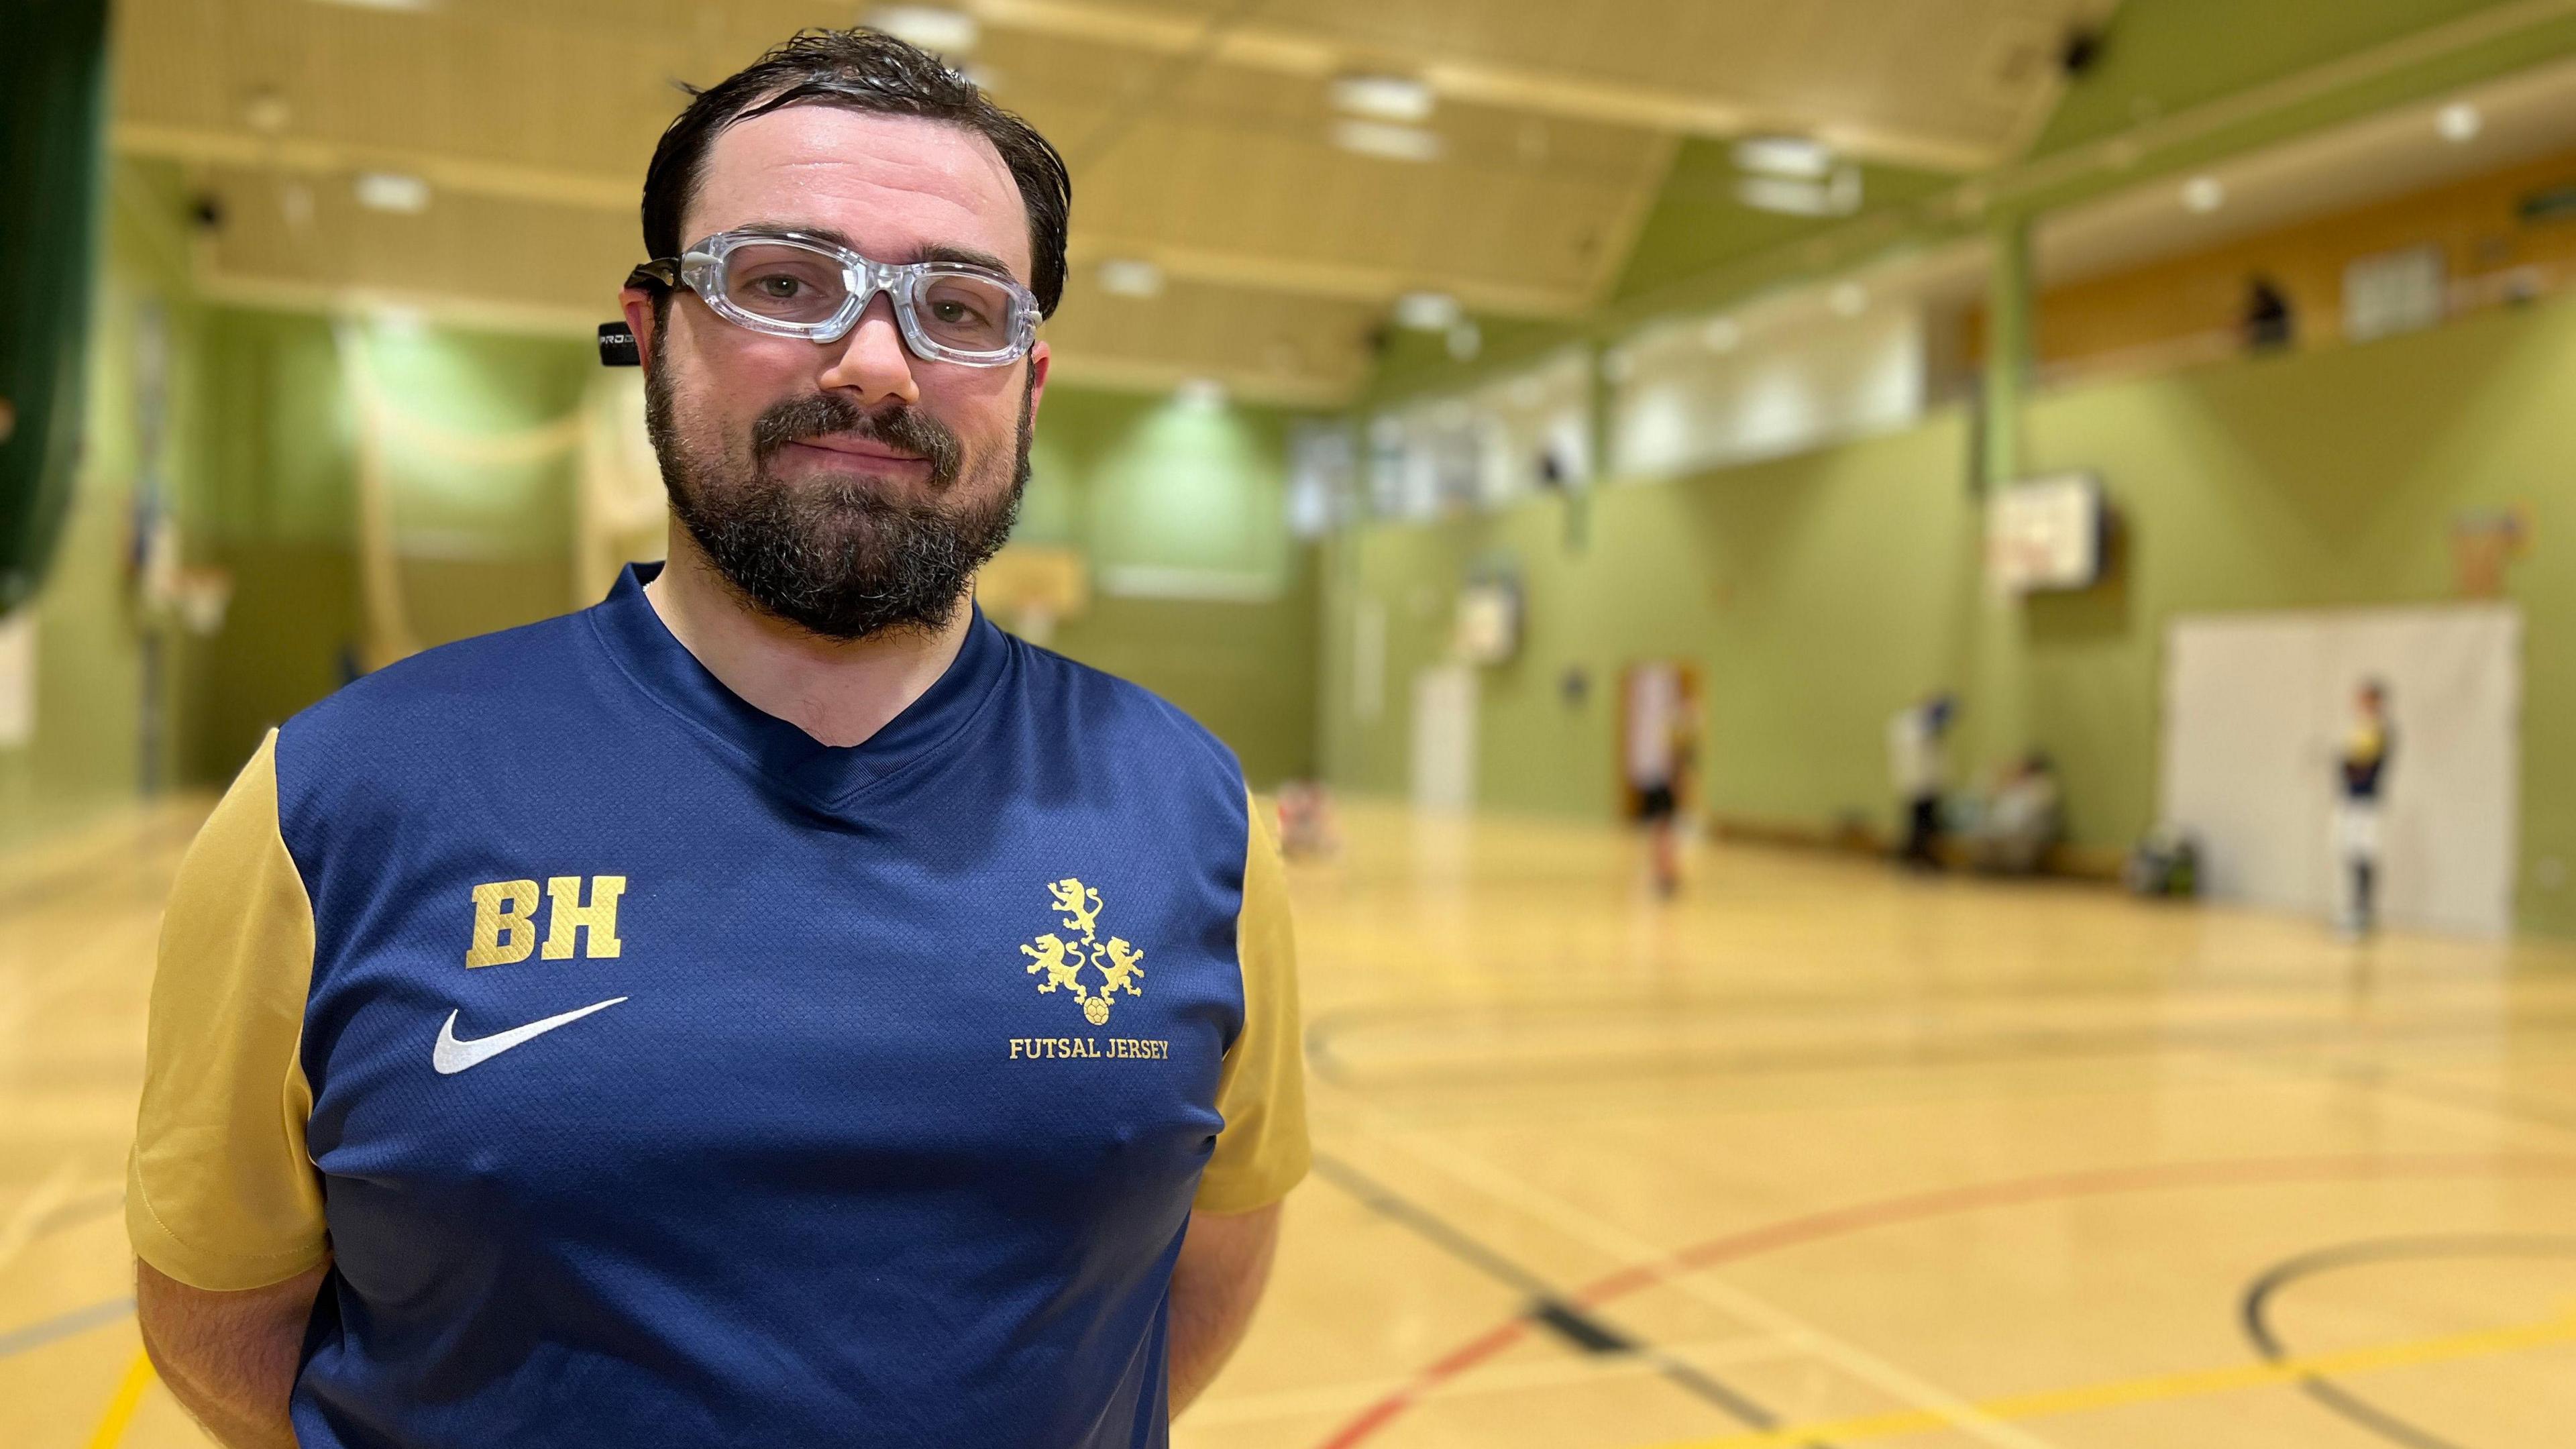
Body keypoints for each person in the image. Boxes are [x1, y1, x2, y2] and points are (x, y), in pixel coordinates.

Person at [127, 30, 1305, 1449]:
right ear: (656, 323)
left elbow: (1201, 1278)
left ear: (1031, 382)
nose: (877, 363)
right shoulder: (329, 805)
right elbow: (221, 1324)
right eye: (785, 283)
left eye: (960, 306)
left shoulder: (1195, 814)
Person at [2334, 679, 2395, 937]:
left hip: (2368, 802)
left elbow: (2369, 767)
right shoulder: (2358, 728)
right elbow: (2346, 763)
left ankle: (2363, 912)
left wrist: (2356, 770)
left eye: (2368, 699)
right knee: (2350, 852)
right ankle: (2352, 908)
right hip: (2351, 800)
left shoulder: (2380, 730)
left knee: (2365, 856)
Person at [1887, 692, 1955, 870]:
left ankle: (1924, 857)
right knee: (1918, 825)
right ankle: (1913, 858)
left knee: (1929, 824)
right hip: (1916, 782)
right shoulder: (1908, 724)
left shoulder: (1927, 726)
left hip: (1929, 783)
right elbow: (1915, 748)